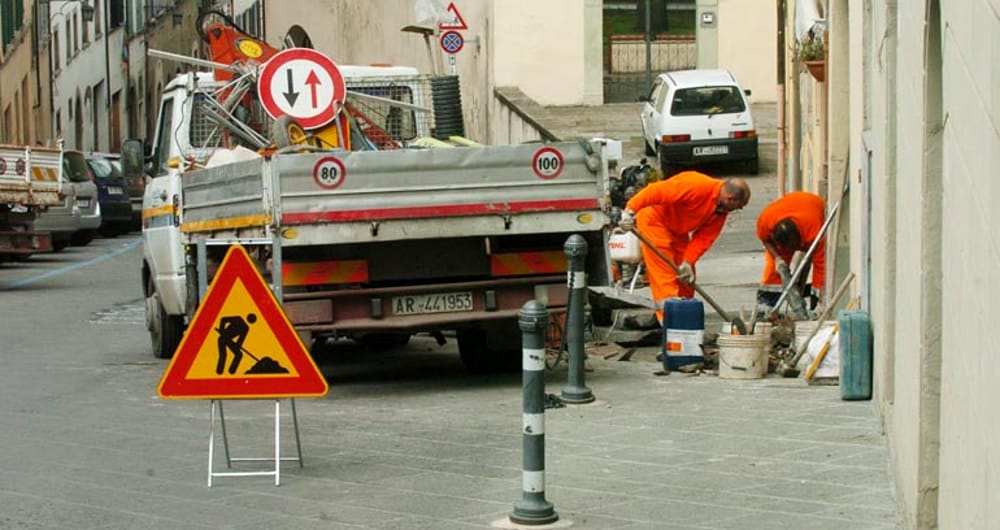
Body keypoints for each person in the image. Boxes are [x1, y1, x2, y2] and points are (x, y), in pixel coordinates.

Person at [619, 171, 751, 322]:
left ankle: (685, 318)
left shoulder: (721, 209)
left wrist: (688, 261)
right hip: (654, 220)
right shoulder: (696, 185)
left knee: (686, 279)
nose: (738, 210)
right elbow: (655, 190)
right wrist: (630, 210)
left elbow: (703, 239)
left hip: (677, 230)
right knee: (665, 274)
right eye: (738, 206)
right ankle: (670, 322)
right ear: (730, 198)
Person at [755, 191, 826, 313]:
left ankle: (816, 305)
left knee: (821, 270)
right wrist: (777, 258)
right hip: (789, 217)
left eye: (790, 247)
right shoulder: (766, 221)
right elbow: (765, 239)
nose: (789, 251)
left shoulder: (815, 232)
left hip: (811, 207)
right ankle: (766, 307)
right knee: (775, 271)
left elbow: (821, 267)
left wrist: (820, 300)